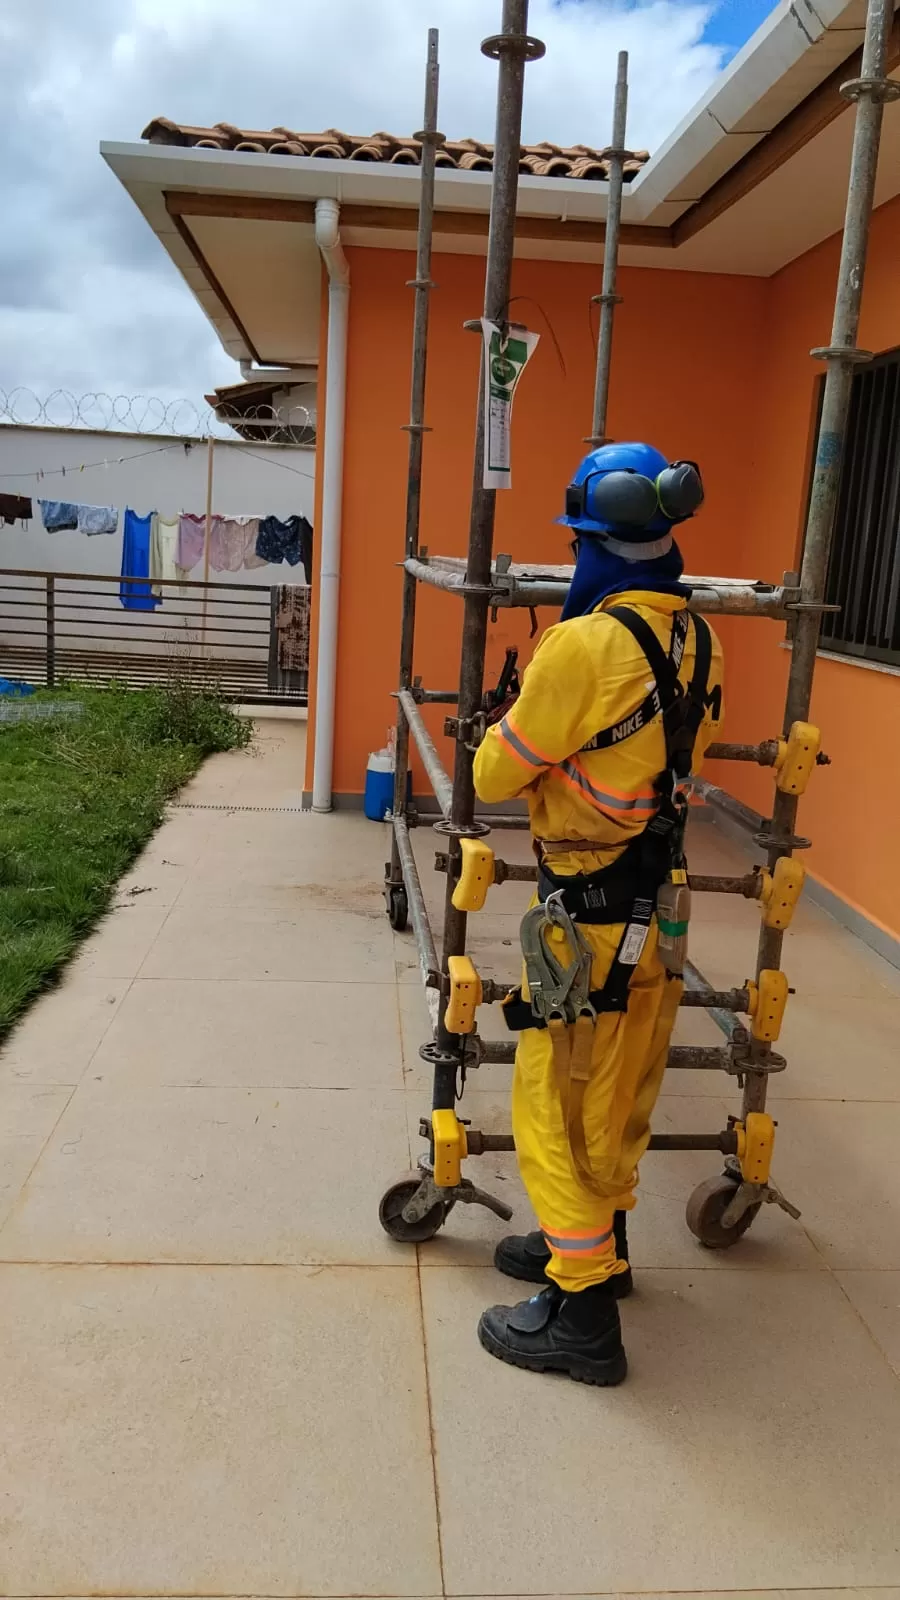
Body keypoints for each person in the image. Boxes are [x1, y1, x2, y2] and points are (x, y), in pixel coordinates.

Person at [472, 441, 724, 1385]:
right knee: (618, 1091)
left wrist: (519, 719)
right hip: (658, 907)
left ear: (591, 543)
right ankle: (597, 1249)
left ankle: (580, 1313)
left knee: (551, 1094)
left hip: (585, 914)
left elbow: (495, 771)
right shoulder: (700, 638)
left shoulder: (584, 645)